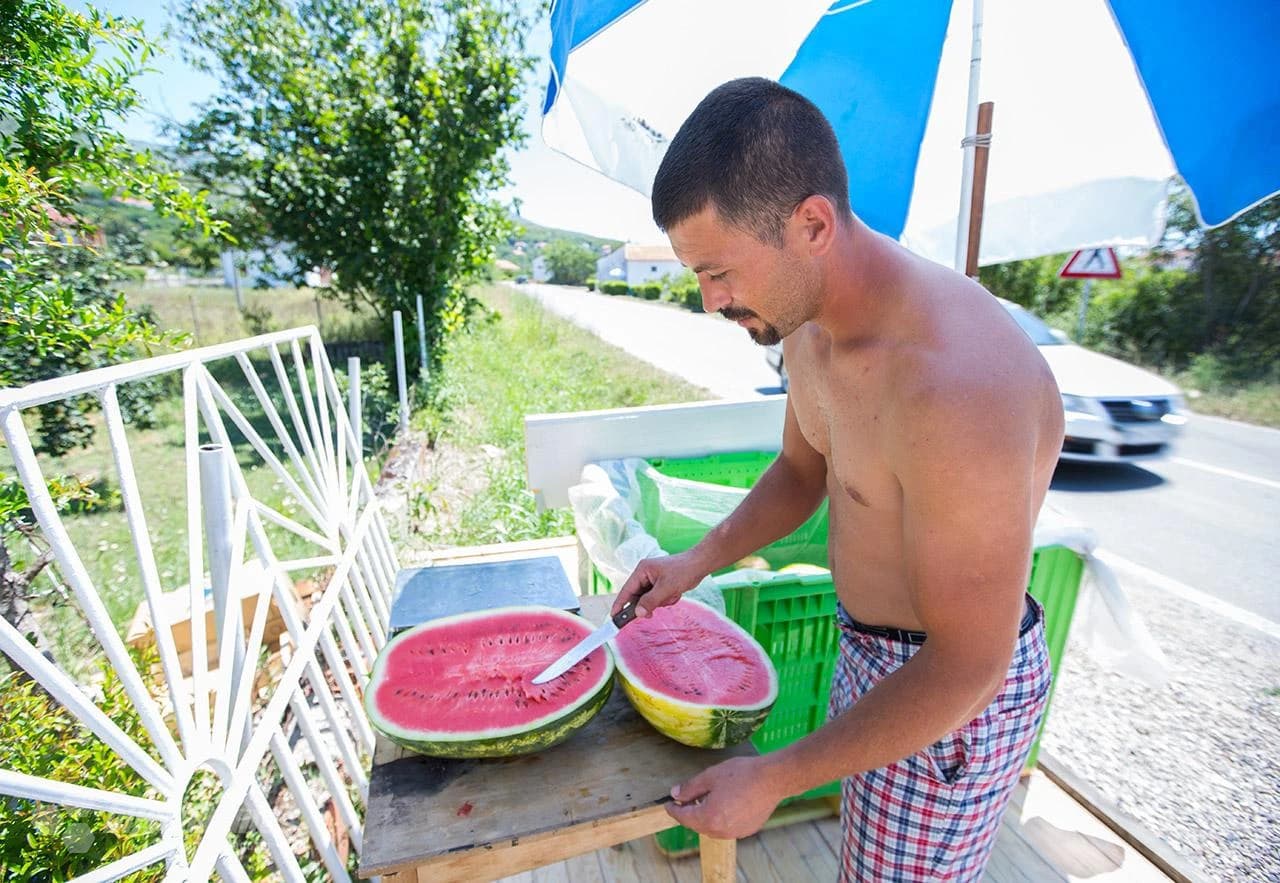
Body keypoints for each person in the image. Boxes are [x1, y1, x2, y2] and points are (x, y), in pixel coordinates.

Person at [611, 77, 1065, 881]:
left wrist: (779, 774)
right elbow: (801, 468)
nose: (710, 300)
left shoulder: (957, 385)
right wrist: (696, 562)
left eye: (719, 271)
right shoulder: (810, 327)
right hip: (871, 654)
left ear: (812, 223)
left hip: (946, 692)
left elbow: (968, 664)